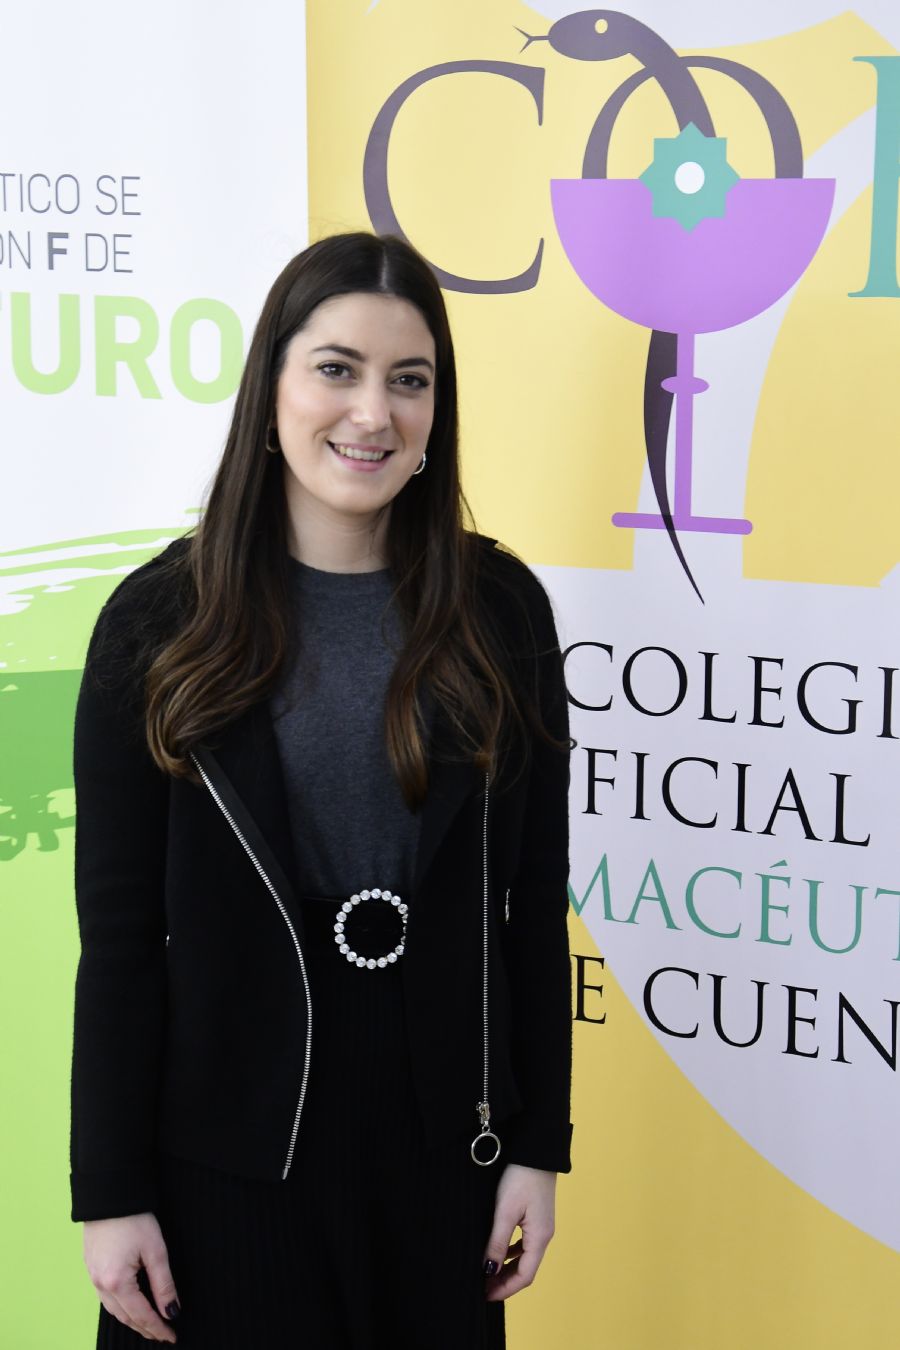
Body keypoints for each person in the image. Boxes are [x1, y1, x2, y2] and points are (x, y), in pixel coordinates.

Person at [70, 231, 572, 1349]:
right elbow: (119, 938)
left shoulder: (502, 612)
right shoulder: (157, 624)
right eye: (337, 369)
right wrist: (110, 1189)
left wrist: (540, 1145)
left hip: (446, 1157)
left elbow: (533, 909)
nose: (373, 414)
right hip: (222, 1161)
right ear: (272, 388)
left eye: (410, 380)